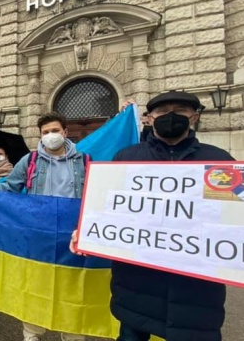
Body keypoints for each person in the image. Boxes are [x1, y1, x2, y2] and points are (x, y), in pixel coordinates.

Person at [71, 91, 233, 341]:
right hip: (136, 289)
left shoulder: (220, 162)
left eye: (179, 110)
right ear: (149, 118)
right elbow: (107, 210)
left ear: (194, 116)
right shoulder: (126, 158)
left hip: (195, 297)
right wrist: (86, 231)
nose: (170, 116)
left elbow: (232, 219)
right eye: (161, 111)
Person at [0, 112, 88, 341]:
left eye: (55, 131)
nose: (51, 136)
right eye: (45, 133)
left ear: (65, 132)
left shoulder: (84, 161)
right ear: (40, 136)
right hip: (39, 235)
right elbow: (9, 188)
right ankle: (32, 333)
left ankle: (72, 334)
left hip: (72, 237)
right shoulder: (30, 161)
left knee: (73, 287)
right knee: (36, 285)